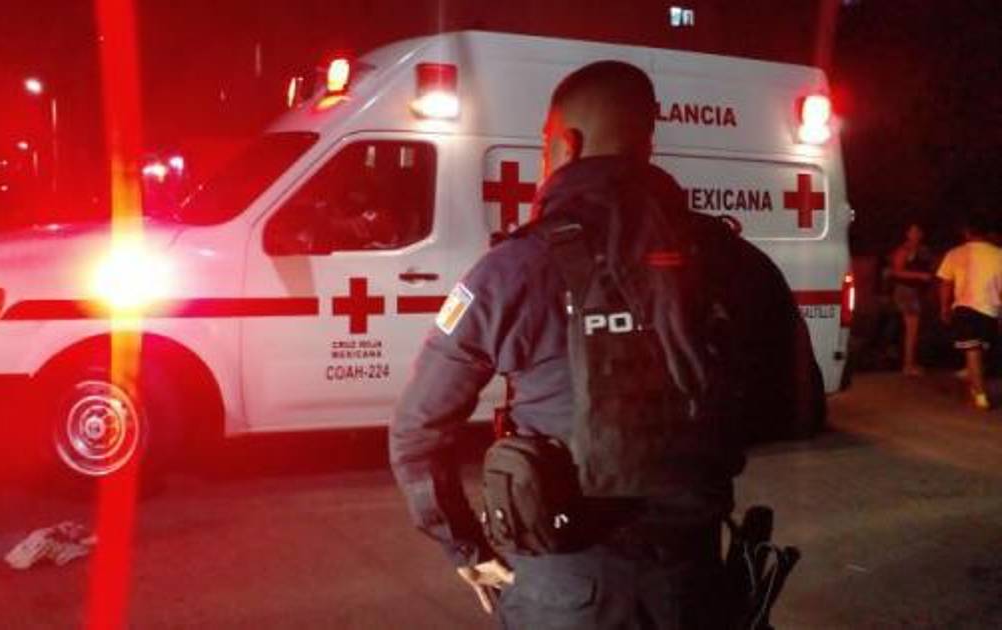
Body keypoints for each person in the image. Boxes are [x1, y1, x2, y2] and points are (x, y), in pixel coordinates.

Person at [390, 61, 814, 628]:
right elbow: (795, 406)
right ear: (648, 144)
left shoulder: (513, 268)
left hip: (560, 592)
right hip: (693, 588)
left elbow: (417, 430)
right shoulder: (738, 261)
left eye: (544, 147)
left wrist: (466, 548)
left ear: (564, 144)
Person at [936, 212, 1002, 410]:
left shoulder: (955, 253)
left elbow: (945, 283)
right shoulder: (998, 254)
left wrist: (944, 306)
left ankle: (979, 394)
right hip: (990, 309)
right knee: (979, 349)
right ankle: (975, 385)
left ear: (967, 232)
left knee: (973, 350)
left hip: (965, 307)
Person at [888, 223, 935, 375]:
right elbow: (896, 272)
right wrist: (919, 276)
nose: (916, 235)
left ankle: (910, 362)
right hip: (906, 291)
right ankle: (908, 365)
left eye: (918, 231)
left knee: (915, 329)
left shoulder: (922, 250)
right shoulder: (904, 250)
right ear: (907, 234)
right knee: (912, 329)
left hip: (917, 291)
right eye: (913, 232)